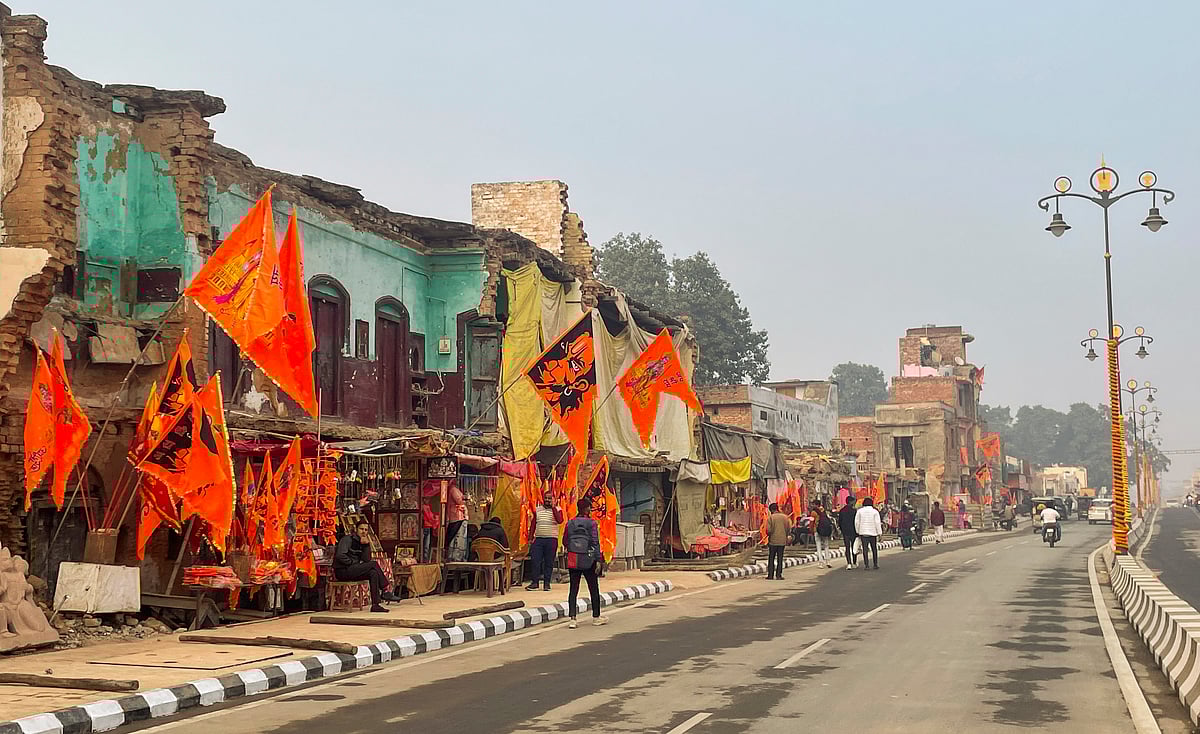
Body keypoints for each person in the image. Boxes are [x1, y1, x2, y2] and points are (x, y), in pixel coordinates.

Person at [333, 521, 398, 613]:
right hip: (343, 570)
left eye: (366, 530)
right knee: (374, 564)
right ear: (356, 529)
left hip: (353, 569)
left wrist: (366, 545)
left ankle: (375, 605)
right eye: (361, 529)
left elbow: (366, 560)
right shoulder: (347, 539)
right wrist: (352, 562)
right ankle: (385, 590)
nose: (364, 532)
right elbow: (340, 555)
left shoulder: (362, 541)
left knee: (373, 573)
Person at [564, 498, 607, 628]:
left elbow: (565, 541)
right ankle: (596, 617)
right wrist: (598, 559)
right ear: (586, 509)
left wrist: (573, 549)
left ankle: (573, 619)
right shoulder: (591, 523)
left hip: (574, 558)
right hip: (588, 559)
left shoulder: (570, 523)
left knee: (573, 588)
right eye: (589, 507)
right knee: (593, 588)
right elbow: (595, 541)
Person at [526, 490, 563, 591]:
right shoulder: (538, 510)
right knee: (535, 561)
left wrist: (553, 507)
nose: (547, 500)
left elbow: (560, 520)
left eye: (550, 498)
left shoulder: (558, 509)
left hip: (551, 539)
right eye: (546, 498)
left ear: (554, 499)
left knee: (549, 562)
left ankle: (547, 583)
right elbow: (533, 524)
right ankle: (535, 583)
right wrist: (530, 538)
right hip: (538, 539)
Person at [855, 497, 883, 570]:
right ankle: (875, 564)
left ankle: (866, 565)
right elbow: (877, 523)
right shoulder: (875, 512)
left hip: (863, 533)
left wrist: (858, 531)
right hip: (873, 533)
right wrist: (880, 534)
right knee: (874, 549)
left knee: (865, 549)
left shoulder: (859, 511)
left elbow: (857, 522)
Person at [765, 503, 791, 580]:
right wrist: (785, 536)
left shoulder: (771, 518)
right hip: (782, 541)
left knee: (771, 558)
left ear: (771, 510)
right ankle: (779, 575)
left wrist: (769, 535)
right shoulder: (785, 517)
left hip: (773, 541)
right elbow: (788, 529)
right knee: (780, 558)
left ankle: (770, 575)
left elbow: (768, 530)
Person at [810, 500, 834, 568]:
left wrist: (811, 531)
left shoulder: (813, 512)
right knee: (826, 546)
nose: (812, 505)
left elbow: (811, 522)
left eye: (813, 504)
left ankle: (821, 563)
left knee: (819, 546)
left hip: (817, 530)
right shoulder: (824, 511)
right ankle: (828, 561)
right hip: (825, 530)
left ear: (816, 505)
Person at [838, 497, 859, 569]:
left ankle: (849, 563)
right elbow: (856, 522)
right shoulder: (854, 511)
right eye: (853, 501)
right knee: (854, 547)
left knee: (847, 547)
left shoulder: (842, 511)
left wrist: (842, 530)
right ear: (850, 502)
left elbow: (840, 522)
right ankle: (854, 562)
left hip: (845, 532)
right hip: (853, 531)